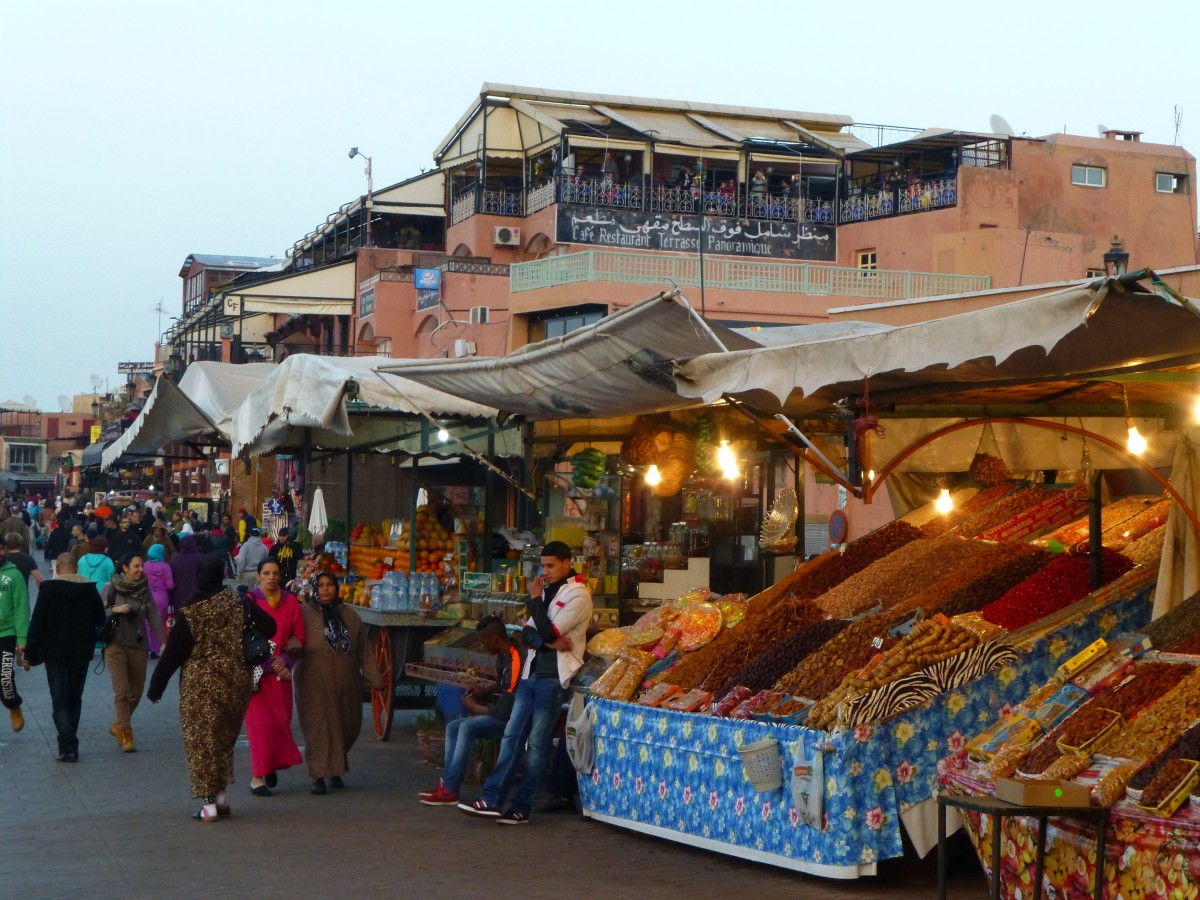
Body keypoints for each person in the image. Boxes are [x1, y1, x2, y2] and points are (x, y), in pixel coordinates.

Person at [459, 541, 591, 824]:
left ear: (567, 563)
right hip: (531, 674)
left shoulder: (578, 595)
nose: (545, 571)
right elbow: (526, 635)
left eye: (551, 565)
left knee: (537, 743)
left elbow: (546, 629)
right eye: (543, 565)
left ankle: (521, 807)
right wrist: (549, 639)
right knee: (511, 736)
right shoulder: (546, 593)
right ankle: (492, 799)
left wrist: (536, 607)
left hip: (553, 678)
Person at [148, 554, 277, 821]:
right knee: (223, 740)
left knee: (201, 743)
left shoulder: (192, 610)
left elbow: (173, 654)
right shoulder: (238, 602)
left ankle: (208, 805)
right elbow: (270, 626)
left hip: (201, 687)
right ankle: (220, 798)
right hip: (236, 683)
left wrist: (156, 688)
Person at [294, 571, 384, 795]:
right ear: (314, 588)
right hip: (313, 684)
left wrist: (375, 677)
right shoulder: (303, 614)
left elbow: (363, 649)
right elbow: (289, 639)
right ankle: (318, 775)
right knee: (318, 728)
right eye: (321, 585)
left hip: (347, 684)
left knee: (346, 726)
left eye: (330, 585)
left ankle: (335, 768)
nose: (325, 589)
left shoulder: (350, 615)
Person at [421, 615, 523, 807]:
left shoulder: (516, 658)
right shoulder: (503, 656)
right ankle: (448, 784)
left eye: (483, 641)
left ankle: (451, 788)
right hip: (502, 713)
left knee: (467, 727)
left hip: (511, 719)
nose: (482, 646)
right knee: (453, 727)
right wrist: (484, 690)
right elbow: (503, 684)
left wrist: (477, 708)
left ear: (493, 638)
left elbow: (504, 710)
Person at [22, 554, 105, 761]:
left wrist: (30, 654)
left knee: (59, 699)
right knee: (75, 698)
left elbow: (37, 623)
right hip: (81, 652)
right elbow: (100, 618)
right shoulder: (89, 589)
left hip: (55, 652)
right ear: (76, 568)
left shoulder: (49, 590)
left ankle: (67, 745)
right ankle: (70, 743)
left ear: (58, 568)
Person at [244, 558, 305, 795]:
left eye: (276, 573)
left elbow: (299, 637)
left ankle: (271, 764)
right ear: (258, 575)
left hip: (282, 676)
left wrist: (286, 661)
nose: (271, 577)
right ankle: (257, 777)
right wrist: (269, 663)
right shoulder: (249, 602)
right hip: (257, 676)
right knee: (259, 727)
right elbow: (243, 639)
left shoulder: (291, 602)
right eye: (266, 573)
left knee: (280, 723)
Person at [101, 551, 167, 752]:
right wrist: (114, 610)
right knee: (121, 692)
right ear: (125, 568)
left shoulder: (144, 589)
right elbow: (96, 612)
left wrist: (163, 641)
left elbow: (153, 616)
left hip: (138, 645)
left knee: (136, 693)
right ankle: (126, 732)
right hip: (115, 644)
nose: (141, 570)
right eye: (137, 566)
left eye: (142, 566)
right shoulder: (110, 587)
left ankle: (118, 724)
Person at [0, 549, 31, 732]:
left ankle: (13, 705)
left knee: (5, 677)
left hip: (7, 632)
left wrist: (22, 638)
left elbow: (21, 607)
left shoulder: (14, 575)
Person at [143, 543, 174, 655]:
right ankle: (155, 650)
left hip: (147, 596)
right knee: (158, 623)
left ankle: (146, 646)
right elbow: (170, 585)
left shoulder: (145, 566)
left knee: (146, 623)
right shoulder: (166, 567)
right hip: (162, 598)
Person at [168, 534, 204, 623]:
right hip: (197, 596)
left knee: (181, 623)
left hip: (179, 597)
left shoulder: (175, 560)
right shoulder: (201, 558)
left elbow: (172, 579)